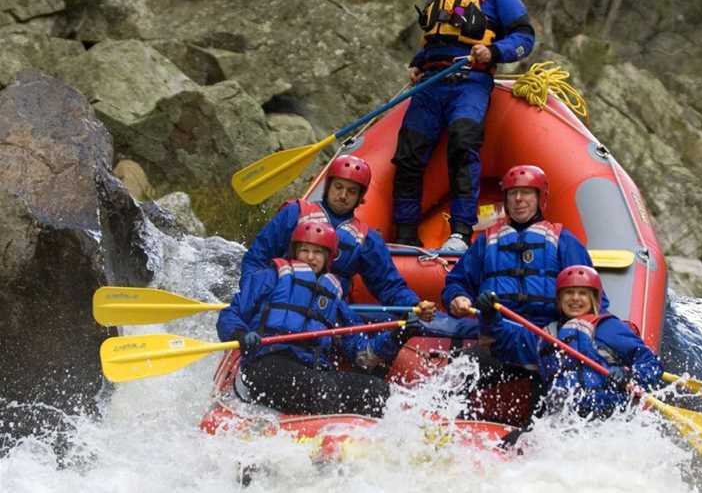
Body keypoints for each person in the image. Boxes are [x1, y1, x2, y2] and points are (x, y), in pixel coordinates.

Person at [391, 0, 535, 251]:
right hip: (431, 85)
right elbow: (437, 39)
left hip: (469, 81)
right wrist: (417, 62)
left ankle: (460, 232)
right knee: (408, 155)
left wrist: (494, 52)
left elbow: (524, 38)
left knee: (463, 143)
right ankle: (404, 234)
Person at [217, 221, 419, 417]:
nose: (310, 258)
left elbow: (363, 353)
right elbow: (230, 313)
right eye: (305, 250)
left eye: (318, 252)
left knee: (377, 390)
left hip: (311, 370)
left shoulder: (334, 300)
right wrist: (241, 334)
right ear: (295, 251)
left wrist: (397, 335)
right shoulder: (271, 277)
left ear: (327, 258)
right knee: (321, 389)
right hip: (266, 364)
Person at [241, 154, 436, 318]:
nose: (343, 195)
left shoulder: (366, 239)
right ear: (328, 187)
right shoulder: (294, 213)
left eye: (351, 191)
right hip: (281, 302)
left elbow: (390, 287)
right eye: (338, 187)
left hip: (328, 312)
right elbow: (257, 258)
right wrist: (250, 297)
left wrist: (414, 306)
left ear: (360, 197)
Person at [476, 265, 664, 418]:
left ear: (594, 300)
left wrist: (630, 376)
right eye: (569, 293)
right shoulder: (546, 335)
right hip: (561, 422)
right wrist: (490, 316)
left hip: (608, 419)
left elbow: (650, 362)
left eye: (582, 293)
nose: (575, 298)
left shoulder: (609, 328)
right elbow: (505, 344)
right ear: (559, 299)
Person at [443, 164, 607, 329]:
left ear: (540, 197)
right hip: (495, 330)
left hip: (547, 332)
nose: (518, 199)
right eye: (513, 193)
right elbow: (457, 282)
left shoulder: (562, 239)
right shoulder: (486, 240)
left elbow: (594, 297)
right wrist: (458, 297)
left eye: (526, 192)